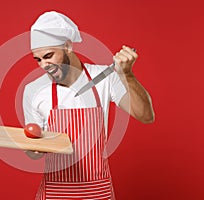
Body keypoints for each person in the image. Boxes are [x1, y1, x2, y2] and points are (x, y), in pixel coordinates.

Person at [23, 11, 154, 200]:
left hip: (97, 191)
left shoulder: (106, 78)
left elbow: (146, 116)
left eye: (49, 55)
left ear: (67, 45)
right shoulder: (33, 90)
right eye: (38, 59)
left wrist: (128, 75)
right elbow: (33, 153)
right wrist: (32, 149)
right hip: (55, 193)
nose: (44, 65)